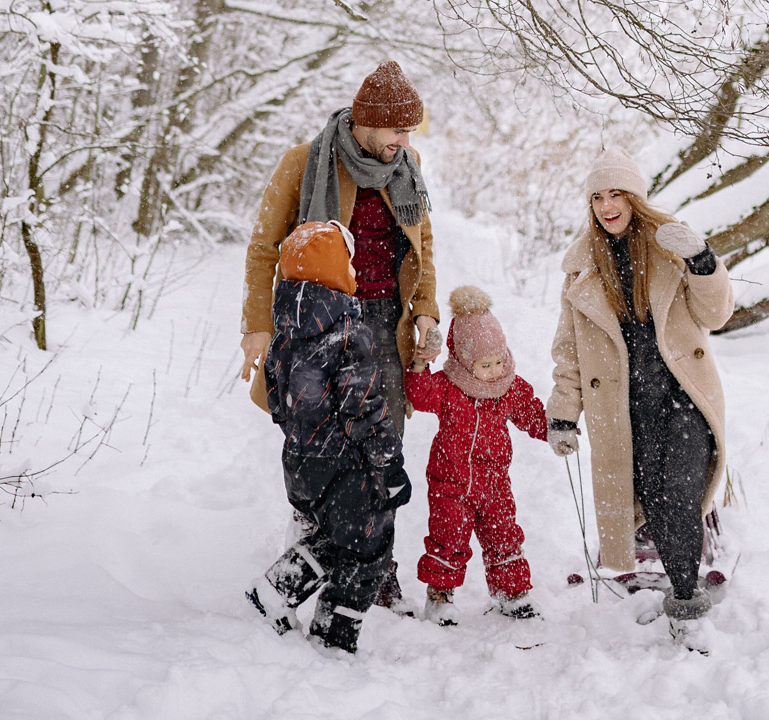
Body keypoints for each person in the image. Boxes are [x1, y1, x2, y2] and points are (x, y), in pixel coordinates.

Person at [238, 60, 440, 611]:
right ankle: (310, 551)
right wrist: (257, 326)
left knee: (382, 449)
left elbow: (423, 247)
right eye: (397, 130)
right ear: (367, 124)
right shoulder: (306, 163)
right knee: (322, 450)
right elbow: (263, 248)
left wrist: (426, 311)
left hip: (387, 325)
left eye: (409, 131)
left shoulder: (408, 165)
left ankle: (377, 571)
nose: (405, 141)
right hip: (319, 323)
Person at [545, 146, 735, 652]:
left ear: (635, 198)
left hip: (685, 397)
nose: (607, 205)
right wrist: (563, 414)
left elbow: (716, 314)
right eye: (597, 197)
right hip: (628, 412)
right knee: (654, 502)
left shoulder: (671, 246)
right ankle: (681, 568)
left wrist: (701, 260)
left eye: (616, 194)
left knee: (677, 496)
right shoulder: (582, 269)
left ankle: (688, 607)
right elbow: (570, 353)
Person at [244, 220, 412, 654]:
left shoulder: (285, 332)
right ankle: (334, 638)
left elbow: (278, 400)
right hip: (347, 465)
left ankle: (275, 590)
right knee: (367, 550)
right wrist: (389, 463)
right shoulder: (347, 334)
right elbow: (365, 408)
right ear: (339, 272)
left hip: (301, 462)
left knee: (336, 540)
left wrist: (305, 435)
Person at [404, 286, 548, 626]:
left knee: (505, 536)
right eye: (486, 365)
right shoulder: (449, 386)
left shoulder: (509, 385)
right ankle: (439, 598)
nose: (495, 370)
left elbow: (530, 411)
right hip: (450, 483)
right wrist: (421, 364)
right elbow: (420, 395)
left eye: (499, 360)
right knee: (447, 538)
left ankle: (510, 594)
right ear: (466, 362)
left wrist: (555, 429)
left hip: (495, 483)